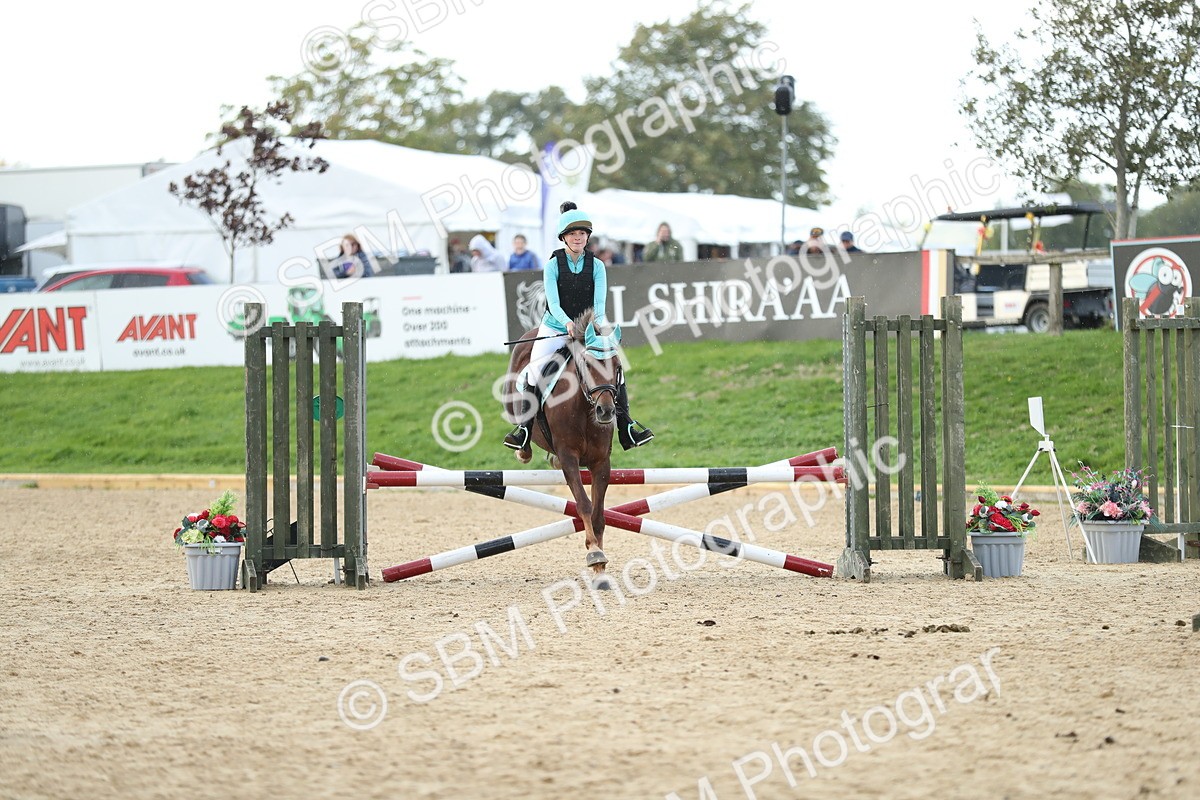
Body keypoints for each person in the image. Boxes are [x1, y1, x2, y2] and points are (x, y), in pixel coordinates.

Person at [503, 201, 654, 452]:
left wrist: (600, 331)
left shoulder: (597, 266)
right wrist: (567, 323)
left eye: (582, 234)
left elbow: (600, 307)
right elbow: (553, 302)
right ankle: (524, 431)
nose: (578, 238)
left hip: (588, 330)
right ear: (563, 237)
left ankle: (626, 427)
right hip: (554, 327)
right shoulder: (552, 265)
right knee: (532, 373)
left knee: (615, 368)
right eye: (573, 234)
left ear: (587, 237)